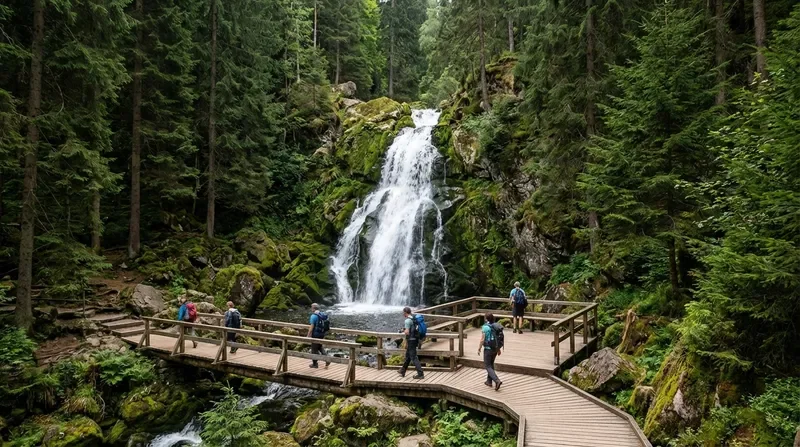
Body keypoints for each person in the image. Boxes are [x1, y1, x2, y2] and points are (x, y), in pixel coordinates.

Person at [478, 313, 503, 391]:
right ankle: (489, 381)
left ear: (486, 319)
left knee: (487, 366)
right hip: (495, 349)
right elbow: (497, 339)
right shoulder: (496, 326)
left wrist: (479, 348)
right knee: (491, 364)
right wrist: (498, 349)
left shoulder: (485, 327)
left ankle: (497, 380)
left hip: (488, 349)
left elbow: (482, 339)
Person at [398, 307, 424, 379]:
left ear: (405, 313)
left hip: (411, 340)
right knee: (408, 356)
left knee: (413, 357)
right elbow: (413, 329)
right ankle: (403, 370)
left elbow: (407, 332)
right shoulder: (413, 318)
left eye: (403, 312)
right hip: (415, 339)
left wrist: (403, 331)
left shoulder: (407, 321)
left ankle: (420, 374)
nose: (403, 314)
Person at [307, 303, 330, 369]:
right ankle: (327, 359)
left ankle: (315, 364)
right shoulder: (322, 314)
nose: (311, 308)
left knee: (314, 350)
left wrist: (308, 335)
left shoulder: (313, 316)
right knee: (319, 347)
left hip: (316, 334)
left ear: (313, 308)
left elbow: (311, 327)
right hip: (322, 334)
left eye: (311, 307)